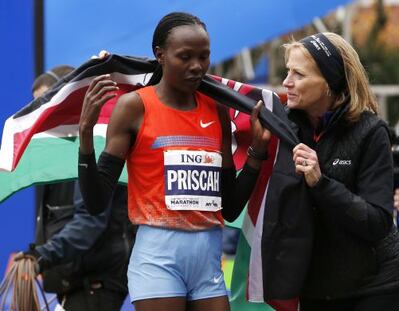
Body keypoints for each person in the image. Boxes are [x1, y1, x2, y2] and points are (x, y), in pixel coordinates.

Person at [77, 12, 270, 311]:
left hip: (208, 261)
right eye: (185, 57)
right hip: (158, 260)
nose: (197, 66)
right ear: (161, 55)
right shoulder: (135, 107)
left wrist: (257, 153)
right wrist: (86, 134)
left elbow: (230, 207)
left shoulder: (216, 110)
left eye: (204, 56)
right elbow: (96, 201)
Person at [279, 32, 399, 310]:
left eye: (298, 74)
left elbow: (377, 222)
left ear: (330, 83)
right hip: (315, 288)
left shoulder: (371, 132)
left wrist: (320, 183)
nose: (286, 82)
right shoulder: (283, 126)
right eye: (287, 71)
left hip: (374, 288)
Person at [17, 65, 135, 311]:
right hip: (76, 287)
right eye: (36, 104)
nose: (40, 112)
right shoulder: (63, 154)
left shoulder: (89, 149)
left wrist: (41, 257)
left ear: (72, 100)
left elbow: (90, 222)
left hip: (94, 287)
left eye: (47, 101)